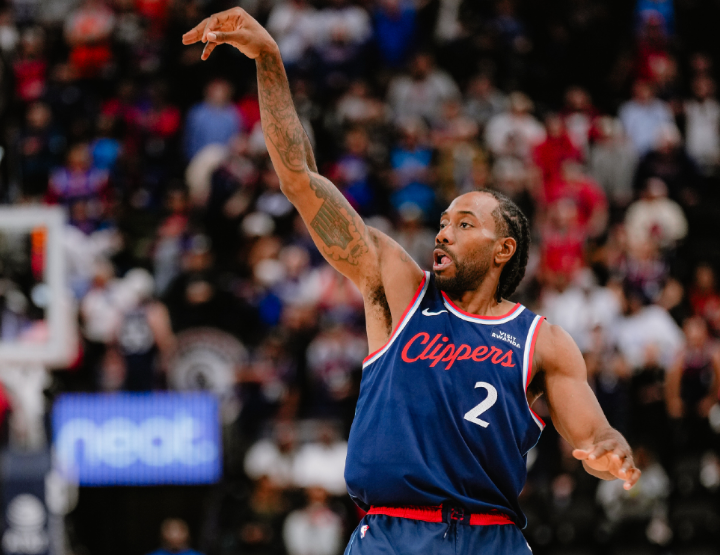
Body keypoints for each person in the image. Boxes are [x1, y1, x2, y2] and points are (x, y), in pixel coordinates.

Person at [183, 11, 641, 554]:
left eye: (464, 224)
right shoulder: (400, 288)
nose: (443, 232)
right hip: (394, 534)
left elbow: (592, 435)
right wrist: (268, 59)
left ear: (504, 250)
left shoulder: (541, 342)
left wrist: (611, 450)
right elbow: (300, 179)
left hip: (492, 538)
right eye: (444, 221)